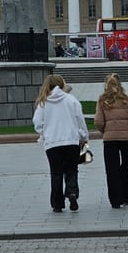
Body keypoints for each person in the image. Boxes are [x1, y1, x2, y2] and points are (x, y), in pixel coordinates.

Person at [33, 74, 89, 213]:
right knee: (71, 169)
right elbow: (80, 120)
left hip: (52, 143)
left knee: (56, 173)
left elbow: (37, 123)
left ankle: (57, 203)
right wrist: (84, 136)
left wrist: (44, 133)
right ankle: (72, 192)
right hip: (71, 141)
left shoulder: (43, 103)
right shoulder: (71, 100)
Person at [94, 73, 128, 209]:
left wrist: (105, 131)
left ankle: (115, 199)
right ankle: (126, 194)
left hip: (109, 139)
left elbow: (98, 121)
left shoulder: (102, 101)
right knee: (127, 166)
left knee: (111, 169)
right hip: (126, 138)